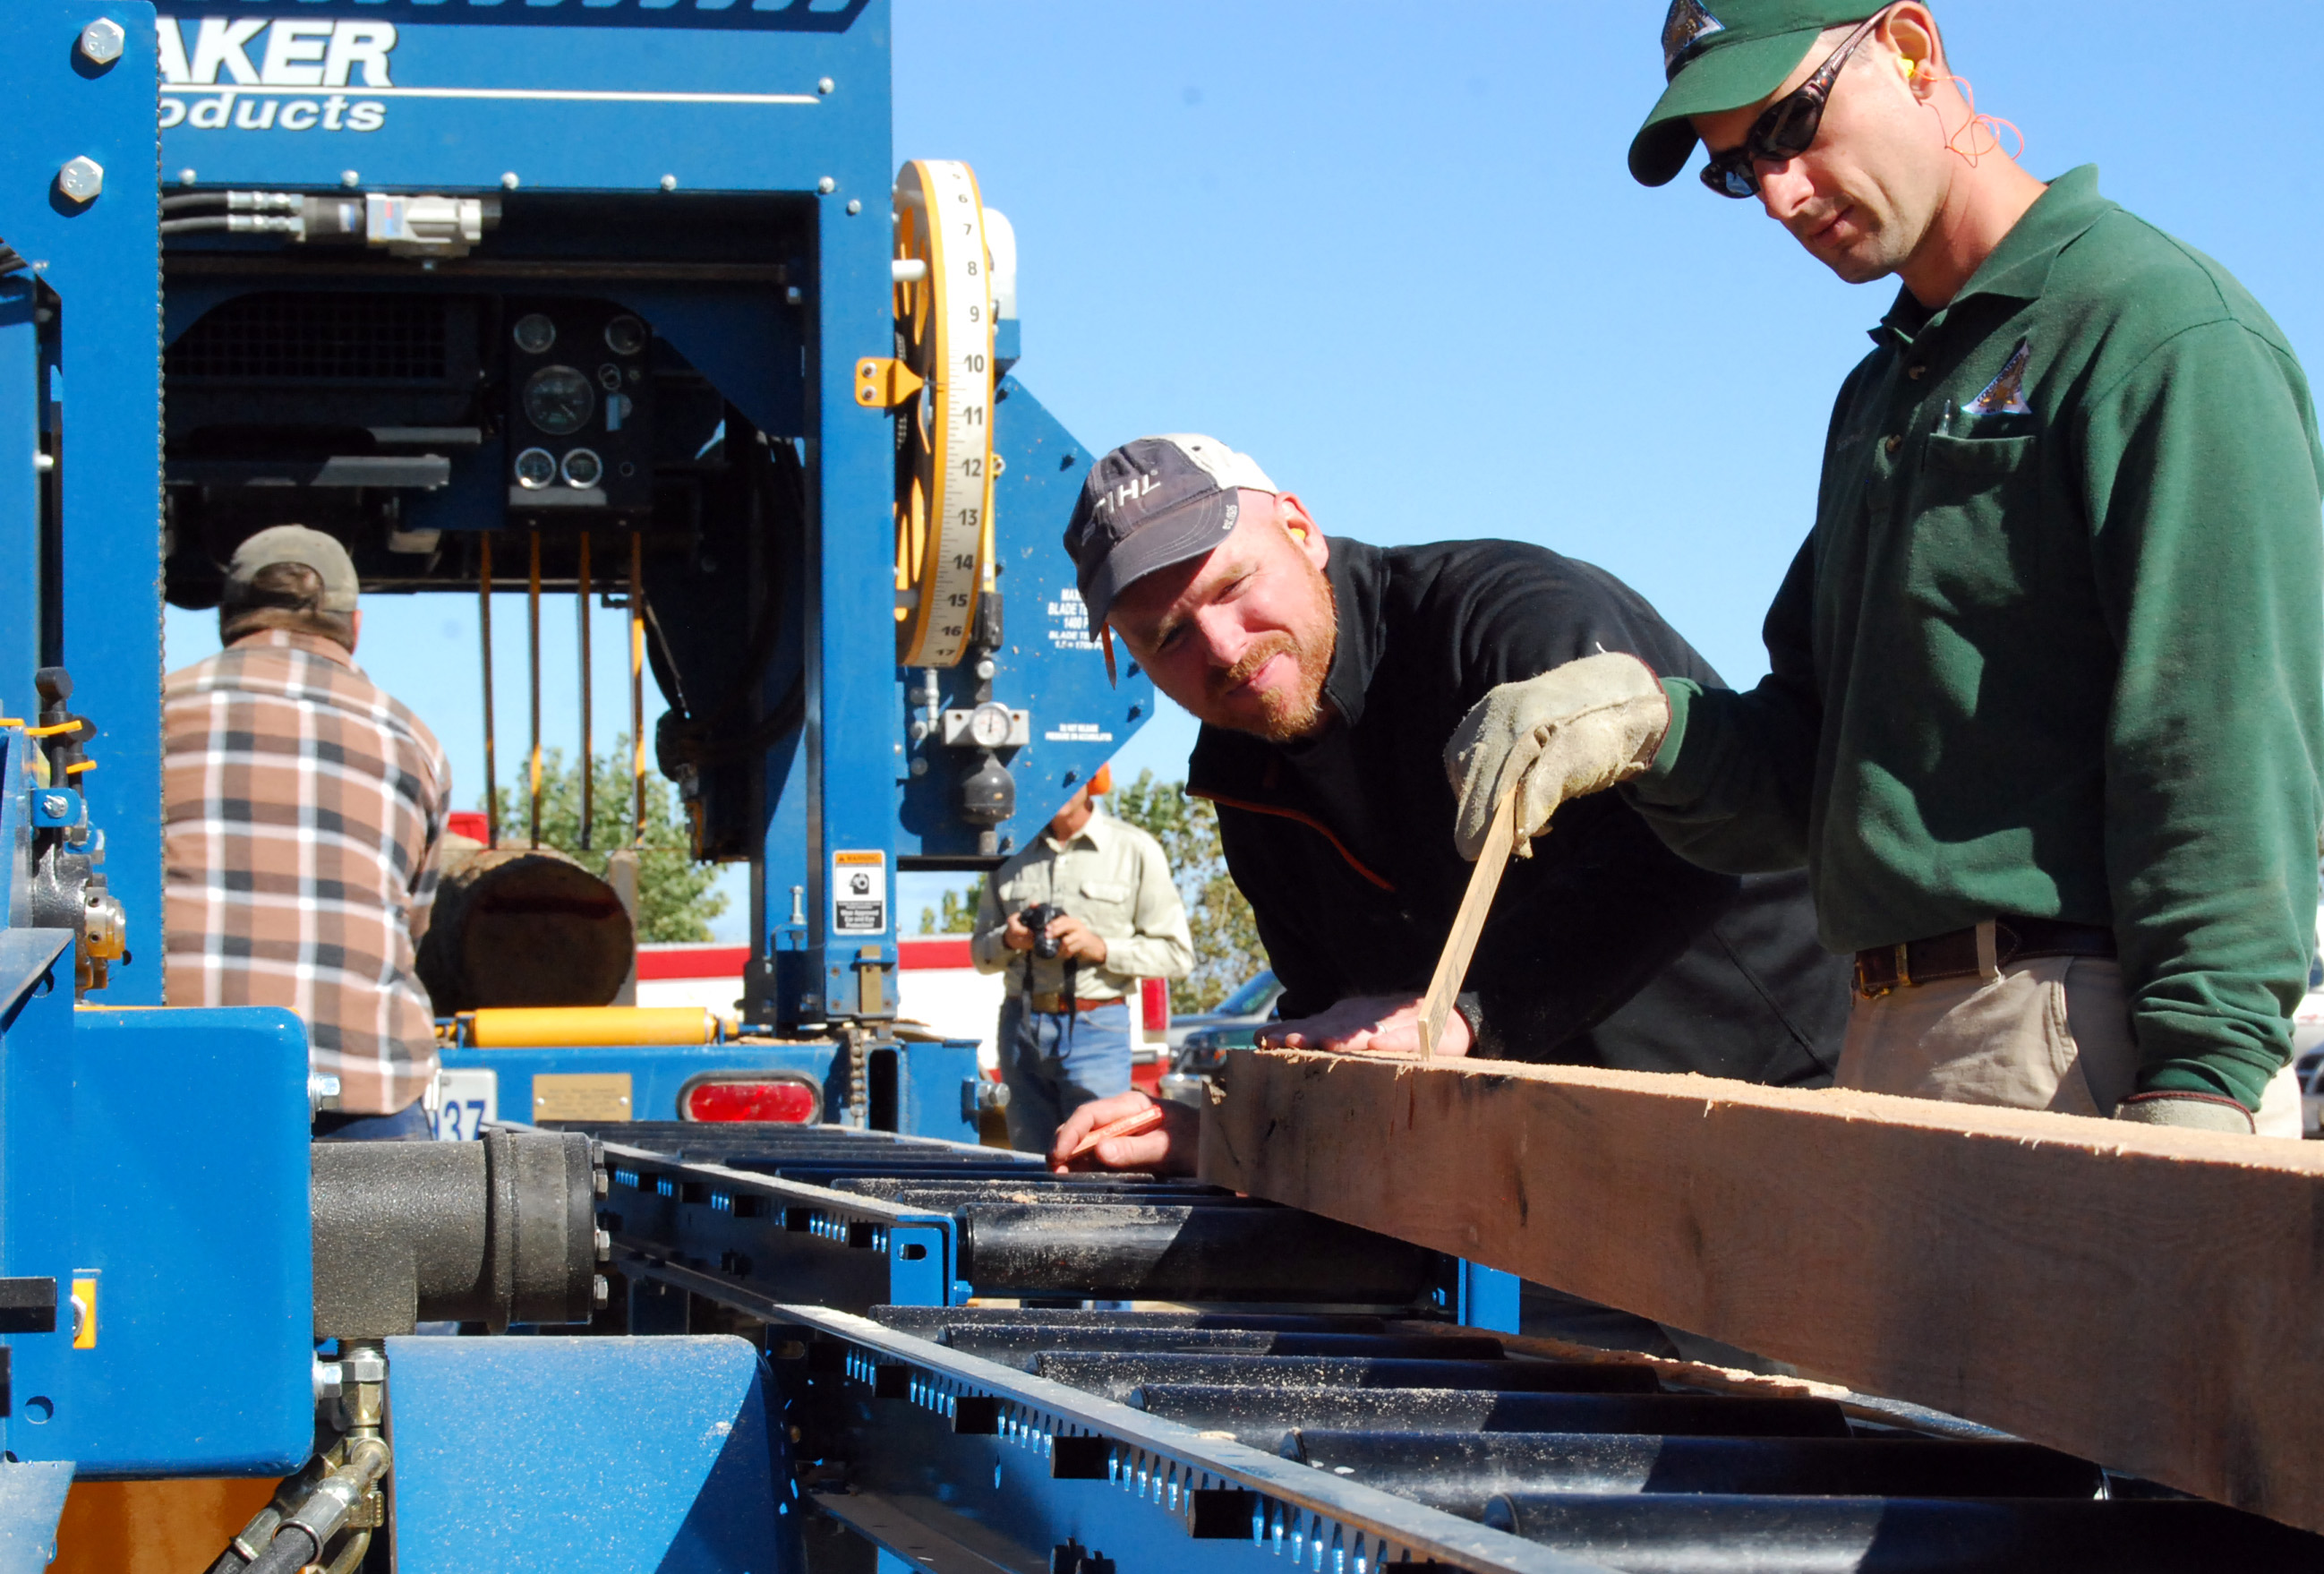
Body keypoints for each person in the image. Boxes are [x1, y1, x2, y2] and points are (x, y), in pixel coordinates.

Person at [1450, 1, 2322, 1135]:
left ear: (1910, 50)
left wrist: (2200, 1085)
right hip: (1890, 1034)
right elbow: (1816, 775)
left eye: (1790, 124)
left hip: (2088, 1039)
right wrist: (1649, 726)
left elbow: (2225, 741)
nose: (1777, 193)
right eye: (1736, 172)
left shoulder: (2154, 334)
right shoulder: (1885, 396)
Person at [1047, 432, 1853, 1174]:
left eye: (1233, 584)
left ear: (1299, 529)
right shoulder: (1243, 773)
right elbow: (1337, 1022)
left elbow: (1681, 857)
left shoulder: (1504, 618)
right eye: (1168, 637)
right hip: (1555, 1170)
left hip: (1784, 1100)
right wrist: (1214, 1131)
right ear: (1128, 659)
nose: (1224, 645)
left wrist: (1466, 1016)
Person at [163, 526, 452, 1141]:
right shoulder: (412, 741)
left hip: (179, 1079)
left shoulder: (155, 712)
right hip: (363, 1087)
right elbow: (412, 925)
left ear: (229, 617)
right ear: (354, 626)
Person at [970, 764, 1193, 1151]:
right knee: (1031, 1162)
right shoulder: (1009, 853)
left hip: (1098, 1027)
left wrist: (1099, 947)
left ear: (1094, 781)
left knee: (1096, 1155)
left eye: (1068, 778)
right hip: (1020, 1027)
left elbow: (1177, 955)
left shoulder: (1134, 849)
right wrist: (1009, 938)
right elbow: (979, 955)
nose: (1056, 789)